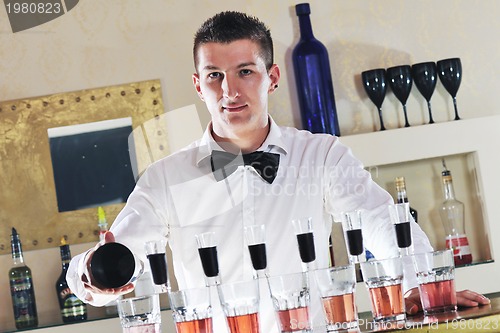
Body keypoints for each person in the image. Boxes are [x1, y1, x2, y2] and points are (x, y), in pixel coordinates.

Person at [68, 10, 489, 332]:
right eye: (214, 75)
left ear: (271, 77)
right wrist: (95, 273)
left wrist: (419, 284)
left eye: (244, 72)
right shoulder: (164, 179)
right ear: (198, 85)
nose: (229, 91)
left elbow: (381, 221)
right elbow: (116, 259)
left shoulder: (322, 156)